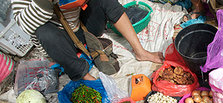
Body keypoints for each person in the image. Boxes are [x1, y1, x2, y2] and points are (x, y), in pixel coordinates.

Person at [11, 0, 164, 81]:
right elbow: (26, 25)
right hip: (61, 44)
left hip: (83, 28)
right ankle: (84, 76)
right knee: (44, 32)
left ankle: (140, 52)